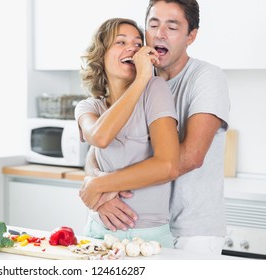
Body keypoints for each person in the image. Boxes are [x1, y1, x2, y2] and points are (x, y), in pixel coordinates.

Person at [82, 0, 230, 255]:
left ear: (191, 36)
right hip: (137, 224)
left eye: (172, 27)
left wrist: (105, 188)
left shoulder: (206, 78)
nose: (160, 33)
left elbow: (190, 157)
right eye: (153, 24)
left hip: (191, 229)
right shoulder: (139, 83)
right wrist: (94, 184)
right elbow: (97, 153)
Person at [75, 17, 180, 248]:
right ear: (101, 55)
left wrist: (98, 186)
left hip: (150, 238)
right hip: (99, 233)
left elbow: (168, 166)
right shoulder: (89, 107)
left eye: (137, 43)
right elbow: (100, 139)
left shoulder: (154, 90)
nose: (132, 48)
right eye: (120, 42)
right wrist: (99, 197)